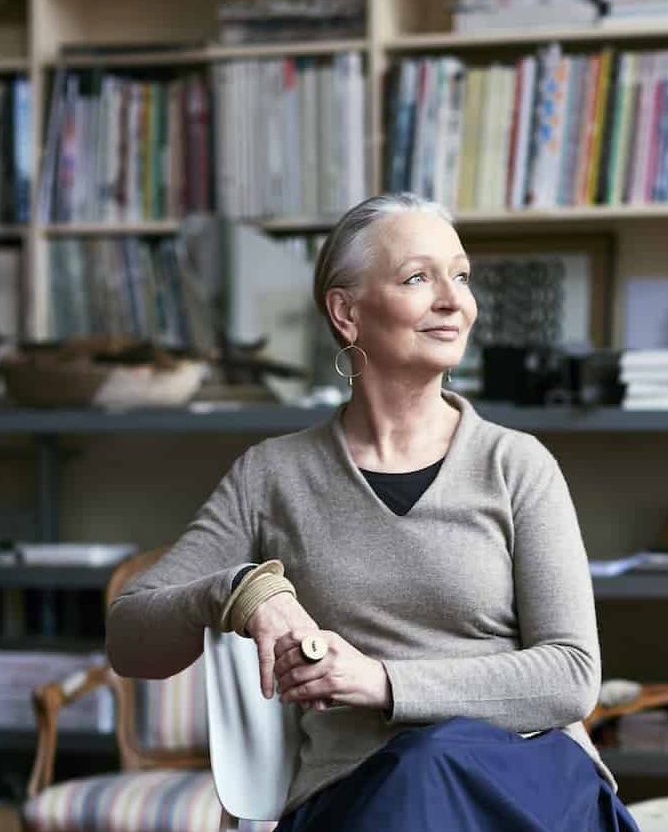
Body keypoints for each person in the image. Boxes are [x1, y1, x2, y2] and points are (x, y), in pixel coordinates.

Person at [106, 192, 640, 832]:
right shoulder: (273, 476)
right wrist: (241, 592)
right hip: (358, 796)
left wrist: (381, 682)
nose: (454, 300)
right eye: (419, 277)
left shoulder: (517, 465)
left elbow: (572, 675)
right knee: (411, 776)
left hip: (526, 784)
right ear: (346, 312)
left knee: (428, 758)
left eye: (461, 276)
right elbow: (128, 637)